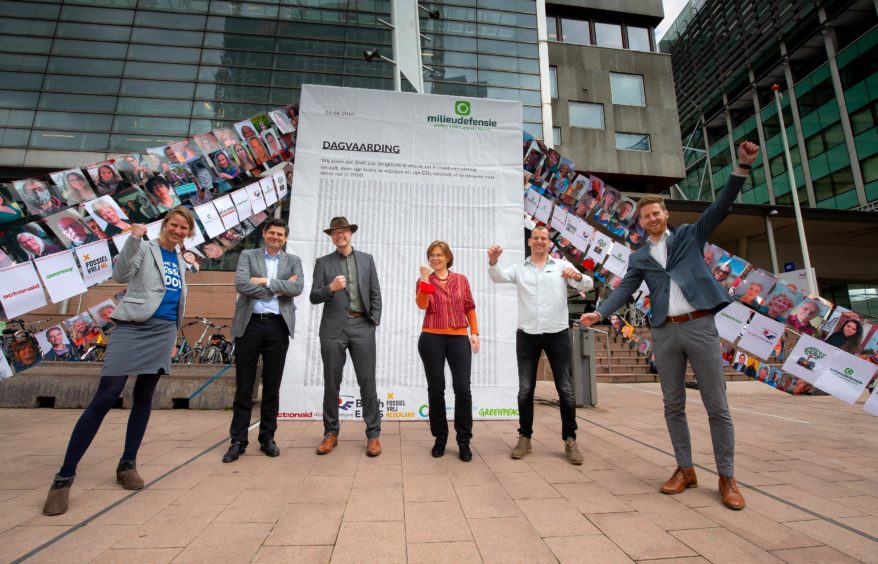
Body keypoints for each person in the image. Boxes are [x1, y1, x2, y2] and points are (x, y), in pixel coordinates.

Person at [581, 141, 760, 511]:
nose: (653, 219)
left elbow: (721, 206)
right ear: (641, 222)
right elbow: (624, 291)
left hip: (699, 327)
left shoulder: (691, 236)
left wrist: (741, 167)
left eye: (657, 212)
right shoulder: (640, 257)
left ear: (666, 213)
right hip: (664, 332)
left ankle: (727, 476)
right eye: (646, 216)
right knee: (673, 405)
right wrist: (599, 314)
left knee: (717, 405)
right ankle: (685, 468)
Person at [42, 207, 194, 517]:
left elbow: (174, 295)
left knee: (144, 396)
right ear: (165, 225)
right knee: (107, 395)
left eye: (184, 228)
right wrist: (133, 239)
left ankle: (127, 464)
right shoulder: (145, 247)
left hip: (163, 330)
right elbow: (121, 274)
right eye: (174, 225)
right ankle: (64, 476)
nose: (178, 231)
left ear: (188, 233)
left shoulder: (180, 259)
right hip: (133, 326)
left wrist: (174, 332)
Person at [488, 225, 593, 465]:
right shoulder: (519, 268)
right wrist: (493, 261)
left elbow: (586, 284)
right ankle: (524, 437)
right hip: (527, 335)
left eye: (543, 238)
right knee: (525, 389)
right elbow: (496, 277)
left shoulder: (561, 266)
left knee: (565, 389)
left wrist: (576, 276)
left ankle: (570, 440)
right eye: (535, 238)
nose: (539, 241)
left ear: (549, 243)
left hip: (557, 333)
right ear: (530, 242)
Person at [223, 219, 304, 463]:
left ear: (285, 238)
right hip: (250, 324)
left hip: (278, 326)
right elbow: (241, 284)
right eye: (272, 233)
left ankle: (267, 438)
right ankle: (238, 440)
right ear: (264, 233)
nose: (276, 237)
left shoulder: (293, 261)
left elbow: (298, 287)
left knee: (272, 385)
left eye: (280, 234)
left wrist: (264, 281)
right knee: (244, 386)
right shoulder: (248, 255)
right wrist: (279, 288)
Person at [310, 217, 383, 457]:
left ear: (351, 233)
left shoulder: (366, 259)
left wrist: (373, 321)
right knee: (332, 383)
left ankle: (373, 435)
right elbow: (314, 296)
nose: (340, 235)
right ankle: (331, 433)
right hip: (333, 329)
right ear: (331, 237)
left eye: (344, 231)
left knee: (367, 382)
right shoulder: (323, 263)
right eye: (335, 232)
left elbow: (375, 293)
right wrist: (330, 288)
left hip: (362, 325)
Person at [416, 241, 479, 461]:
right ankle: (440, 438)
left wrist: (475, 332)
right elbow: (422, 304)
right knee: (436, 388)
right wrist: (424, 279)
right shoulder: (425, 281)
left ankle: (464, 440)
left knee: (462, 388)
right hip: (431, 337)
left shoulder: (461, 280)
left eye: (439, 254)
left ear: (447, 257)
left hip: (459, 338)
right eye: (432, 255)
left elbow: (469, 306)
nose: (435, 258)